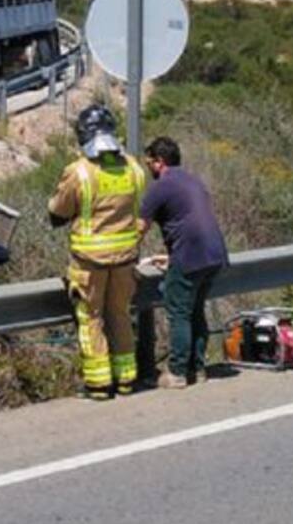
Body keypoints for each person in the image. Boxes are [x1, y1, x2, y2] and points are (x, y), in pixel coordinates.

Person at [48, 104, 146, 400]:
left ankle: (98, 384)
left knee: (91, 317)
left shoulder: (79, 172)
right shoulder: (134, 168)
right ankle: (127, 378)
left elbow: (58, 212)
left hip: (89, 263)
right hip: (126, 258)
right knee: (119, 314)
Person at [138, 136, 229, 389]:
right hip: (214, 254)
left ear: (159, 162)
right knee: (196, 310)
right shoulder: (193, 180)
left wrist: (119, 255)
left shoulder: (161, 186)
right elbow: (191, 219)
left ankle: (177, 372)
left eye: (149, 163)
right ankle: (197, 369)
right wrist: (170, 256)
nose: (148, 168)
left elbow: (139, 228)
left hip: (189, 256)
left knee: (178, 312)